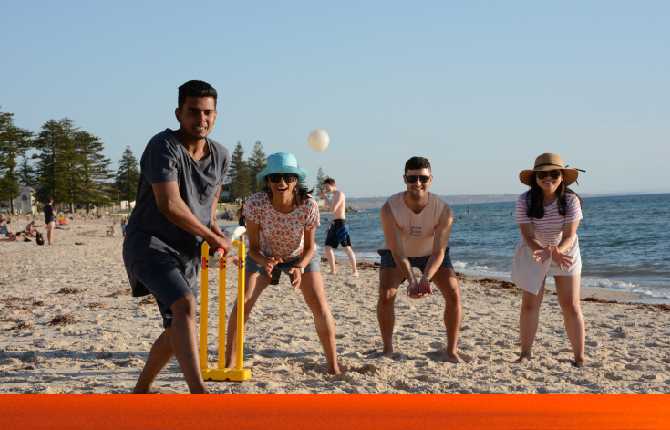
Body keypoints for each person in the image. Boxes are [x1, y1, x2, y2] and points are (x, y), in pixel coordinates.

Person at [122, 80, 232, 394]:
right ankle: (200, 393)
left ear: (215, 115)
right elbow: (169, 204)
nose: (201, 118)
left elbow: (208, 205)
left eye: (208, 112)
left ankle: (141, 391)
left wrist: (214, 231)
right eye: (193, 111)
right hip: (149, 243)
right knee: (185, 306)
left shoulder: (221, 155)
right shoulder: (163, 145)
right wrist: (212, 238)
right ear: (179, 113)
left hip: (188, 252)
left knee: (176, 328)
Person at [225, 152, 341, 374]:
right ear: (268, 181)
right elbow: (254, 248)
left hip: (299, 256)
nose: (282, 182)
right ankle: (230, 363)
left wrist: (299, 267)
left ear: (295, 180)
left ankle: (333, 366)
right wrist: (267, 261)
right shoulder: (256, 203)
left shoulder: (308, 205)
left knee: (318, 303)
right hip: (264, 255)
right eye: (276, 177)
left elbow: (309, 248)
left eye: (288, 177)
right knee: (243, 303)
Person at [377, 156, 464, 362]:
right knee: (386, 294)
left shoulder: (443, 209)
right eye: (412, 178)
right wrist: (412, 279)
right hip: (397, 253)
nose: (418, 183)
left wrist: (425, 278)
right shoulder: (389, 208)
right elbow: (398, 253)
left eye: (423, 179)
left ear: (431, 179)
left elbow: (439, 252)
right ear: (405, 179)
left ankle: (451, 351)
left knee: (453, 293)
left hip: (431, 254)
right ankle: (387, 350)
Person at [510, 153, 589, 367]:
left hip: (564, 252)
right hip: (533, 250)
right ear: (535, 177)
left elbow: (568, 236)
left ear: (562, 176)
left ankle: (580, 358)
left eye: (554, 173)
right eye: (543, 173)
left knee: (571, 305)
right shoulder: (524, 201)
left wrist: (556, 251)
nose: (549, 178)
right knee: (529, 304)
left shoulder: (571, 200)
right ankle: (525, 354)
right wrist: (543, 250)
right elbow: (528, 236)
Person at [317, 178, 359, 277]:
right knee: (327, 247)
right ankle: (333, 271)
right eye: (325, 187)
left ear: (333, 184)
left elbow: (333, 209)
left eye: (327, 186)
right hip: (334, 223)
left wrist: (324, 197)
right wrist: (329, 225)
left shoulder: (340, 194)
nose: (326, 188)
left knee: (346, 248)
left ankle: (355, 271)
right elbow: (334, 213)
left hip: (341, 224)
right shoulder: (334, 196)